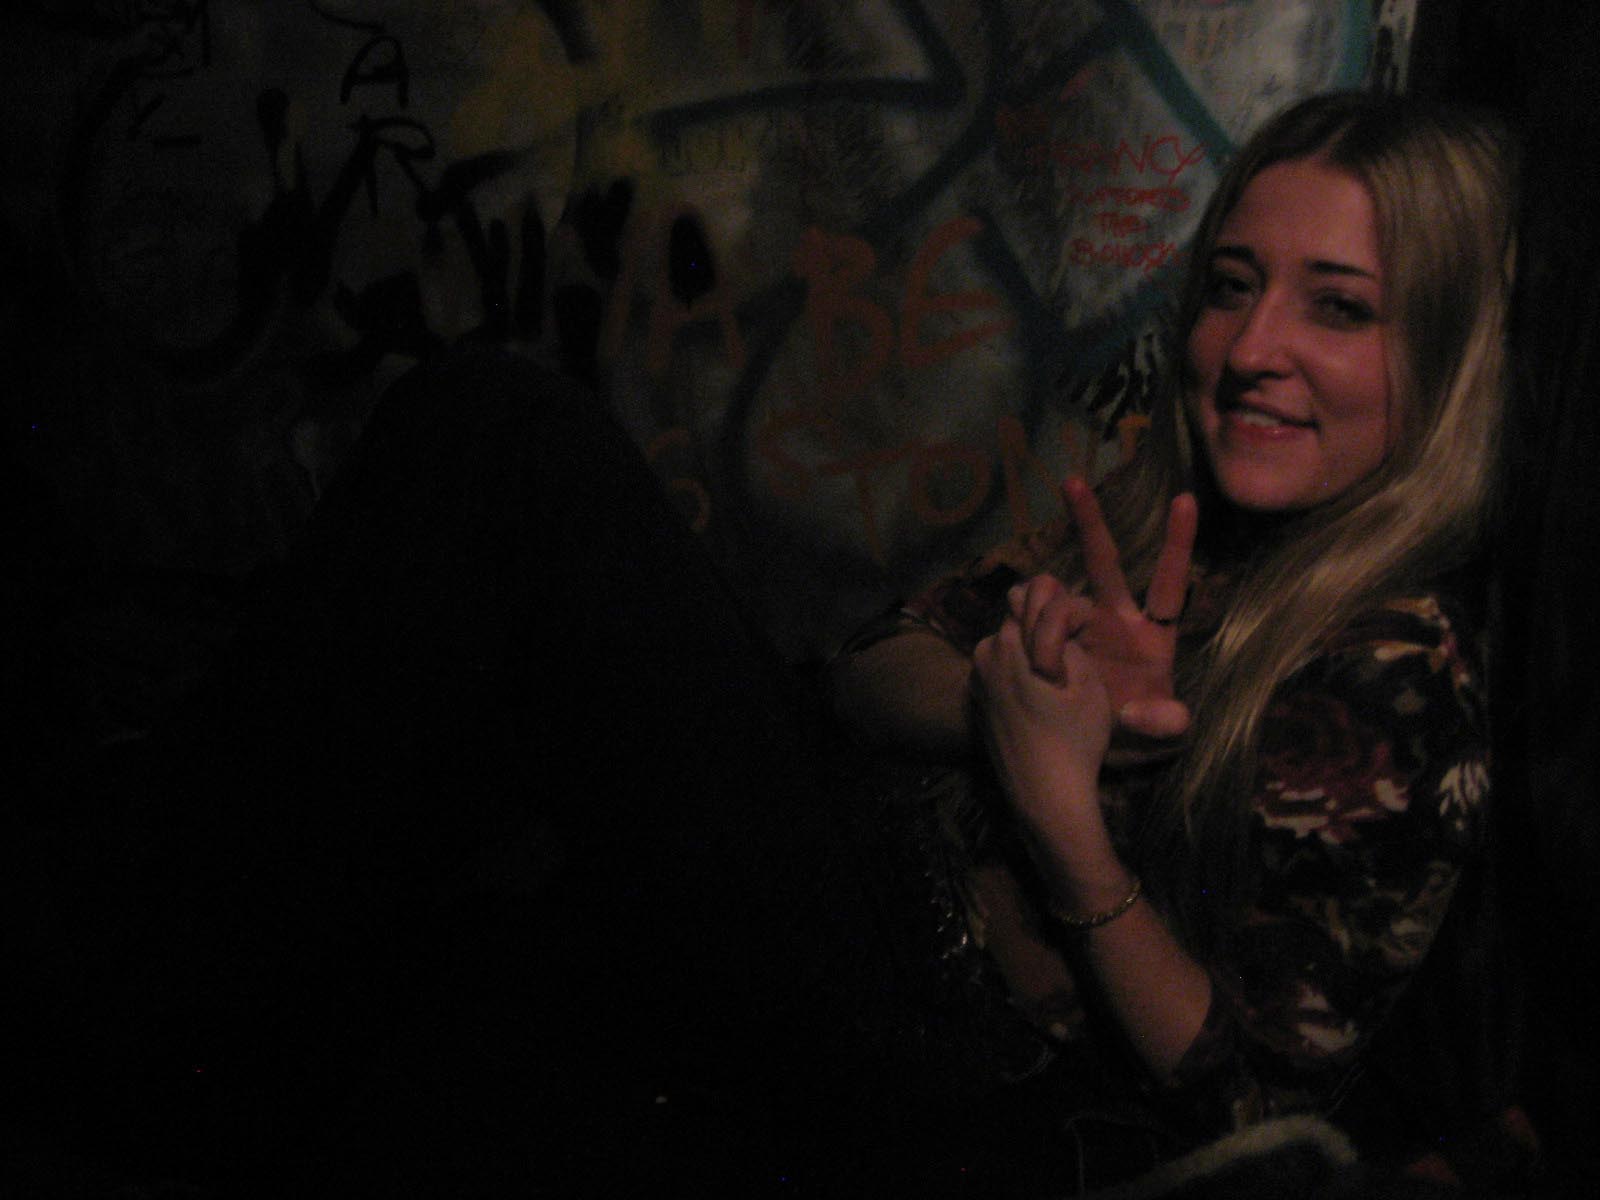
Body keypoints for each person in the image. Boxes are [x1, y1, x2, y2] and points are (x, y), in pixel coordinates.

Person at [830, 90, 1521, 1184]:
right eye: (1232, 287)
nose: (1249, 349)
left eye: (1339, 309)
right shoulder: (1158, 519)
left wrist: (1064, 821)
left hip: (972, 1097)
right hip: (857, 931)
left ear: (1448, 359)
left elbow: (1254, 1112)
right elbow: (864, 669)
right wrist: (1017, 706)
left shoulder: (1397, 672)